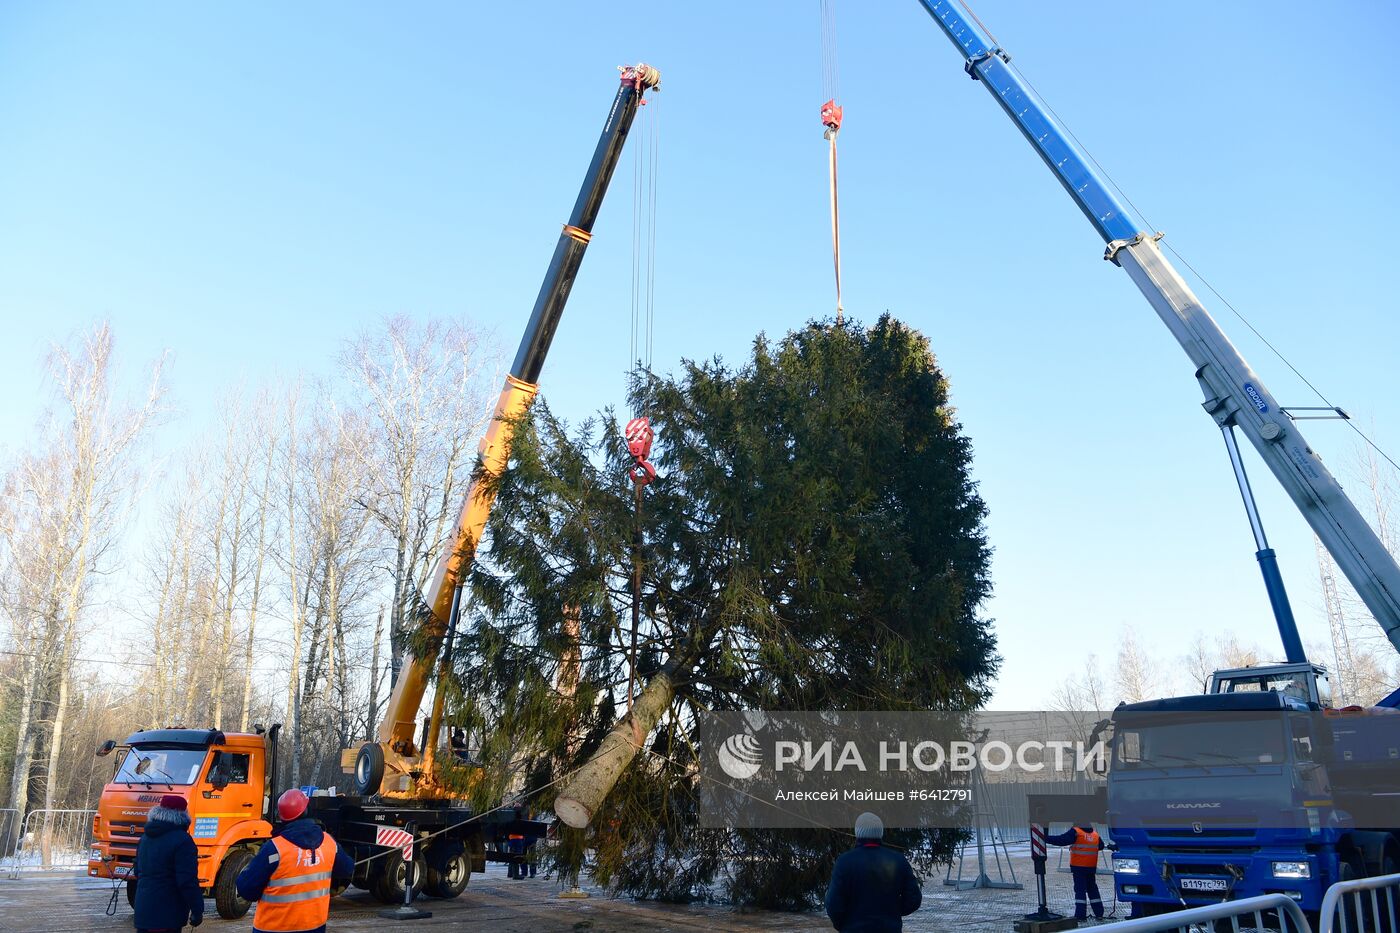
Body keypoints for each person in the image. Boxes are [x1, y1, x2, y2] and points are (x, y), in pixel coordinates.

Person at [237, 788, 354, 933]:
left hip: (273, 929)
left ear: (282, 817)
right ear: (307, 811)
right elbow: (347, 869)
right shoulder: (329, 844)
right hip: (314, 927)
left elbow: (246, 890)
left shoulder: (275, 848)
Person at [824, 812, 922, 932]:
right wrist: (892, 912)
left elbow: (833, 903)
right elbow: (913, 899)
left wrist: (843, 925)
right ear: (880, 832)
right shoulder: (898, 860)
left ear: (858, 832)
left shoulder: (844, 862)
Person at [132, 794, 203, 933]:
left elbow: (137, 871)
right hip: (168, 913)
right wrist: (197, 909)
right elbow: (187, 880)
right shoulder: (183, 840)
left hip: (143, 909)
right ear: (183, 814)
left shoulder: (145, 837)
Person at [1045, 823, 1108, 922]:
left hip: (1079, 867)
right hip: (1091, 867)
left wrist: (1046, 838)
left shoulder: (1076, 832)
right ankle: (1099, 913)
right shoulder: (1095, 834)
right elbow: (1101, 846)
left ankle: (1080, 915)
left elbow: (1062, 840)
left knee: (1080, 891)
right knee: (1092, 889)